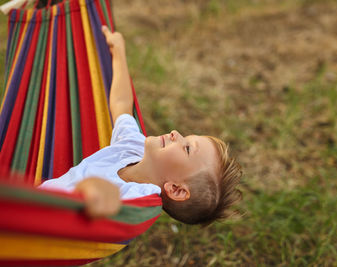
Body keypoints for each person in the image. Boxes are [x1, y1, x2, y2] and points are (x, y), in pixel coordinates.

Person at [40, 26, 242, 226]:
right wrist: (119, 51)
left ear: (176, 189)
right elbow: (121, 105)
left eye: (187, 148)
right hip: (30, 203)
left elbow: (103, 201)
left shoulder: (139, 197)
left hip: (40, 226)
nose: (175, 133)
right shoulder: (132, 148)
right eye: (186, 136)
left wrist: (92, 190)